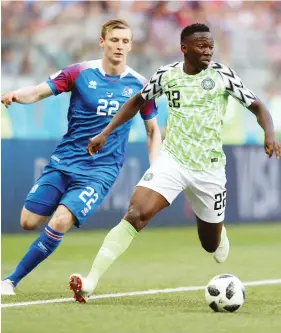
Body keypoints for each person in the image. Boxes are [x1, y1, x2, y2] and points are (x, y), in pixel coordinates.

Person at [69, 23, 281, 303]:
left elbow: (258, 107)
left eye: (210, 46)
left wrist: (269, 133)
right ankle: (90, 281)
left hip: (209, 169)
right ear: (184, 48)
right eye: (201, 46)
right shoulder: (167, 76)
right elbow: (135, 102)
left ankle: (219, 232)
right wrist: (105, 132)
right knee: (136, 213)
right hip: (173, 161)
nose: (208, 51)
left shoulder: (222, 75)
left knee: (211, 246)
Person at [1, 19, 161, 296]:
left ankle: (10, 281)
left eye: (125, 41)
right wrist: (16, 95)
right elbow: (39, 91)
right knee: (27, 222)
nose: (120, 46)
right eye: (114, 40)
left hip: (100, 170)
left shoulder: (141, 85)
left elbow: (152, 131)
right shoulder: (80, 73)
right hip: (64, 162)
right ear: (102, 42)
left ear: (131, 45)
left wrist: (156, 168)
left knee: (61, 221)